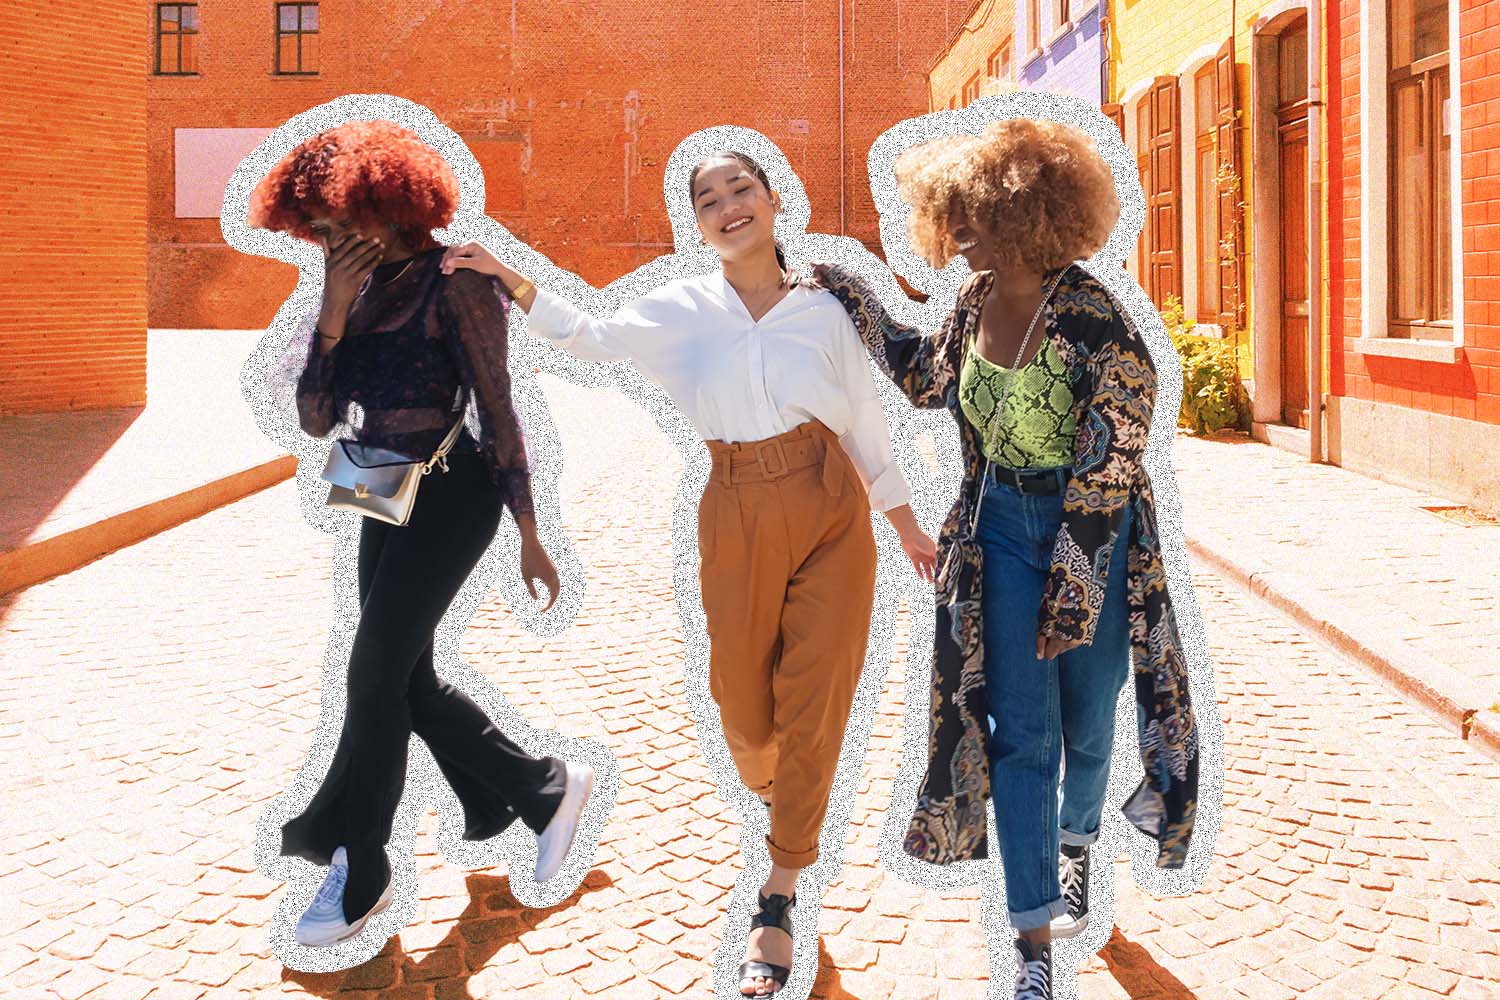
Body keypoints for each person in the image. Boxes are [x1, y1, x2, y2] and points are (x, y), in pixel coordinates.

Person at [441, 148, 938, 997]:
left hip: (829, 509)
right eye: (708, 198)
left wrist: (907, 526)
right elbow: (589, 337)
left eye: (740, 188)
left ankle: (779, 890)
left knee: (814, 701)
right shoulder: (682, 308)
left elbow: (862, 421)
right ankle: (781, 794)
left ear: (775, 200)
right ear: (697, 223)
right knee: (746, 715)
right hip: (736, 505)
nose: (727, 205)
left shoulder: (822, 312)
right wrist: (507, 273)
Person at [808, 118, 1200, 1000]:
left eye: (973, 218)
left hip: (1090, 540)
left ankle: (1077, 844)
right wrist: (852, 294)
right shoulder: (972, 304)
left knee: (1089, 724)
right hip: (997, 535)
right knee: (1022, 736)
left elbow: (1115, 459)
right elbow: (921, 377)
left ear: (1030, 214)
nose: (957, 236)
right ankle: (1031, 944)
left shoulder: (1099, 319)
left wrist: (1076, 572)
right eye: (951, 218)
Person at [247, 120, 596, 950]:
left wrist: (529, 527)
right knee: (403, 679)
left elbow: (501, 407)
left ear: (386, 202)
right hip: (379, 490)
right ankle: (545, 787)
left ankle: (362, 868)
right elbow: (316, 417)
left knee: (372, 675)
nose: (329, 243)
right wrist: (331, 311)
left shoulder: (458, 280)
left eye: (337, 225)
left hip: (454, 493)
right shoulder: (355, 291)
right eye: (318, 233)